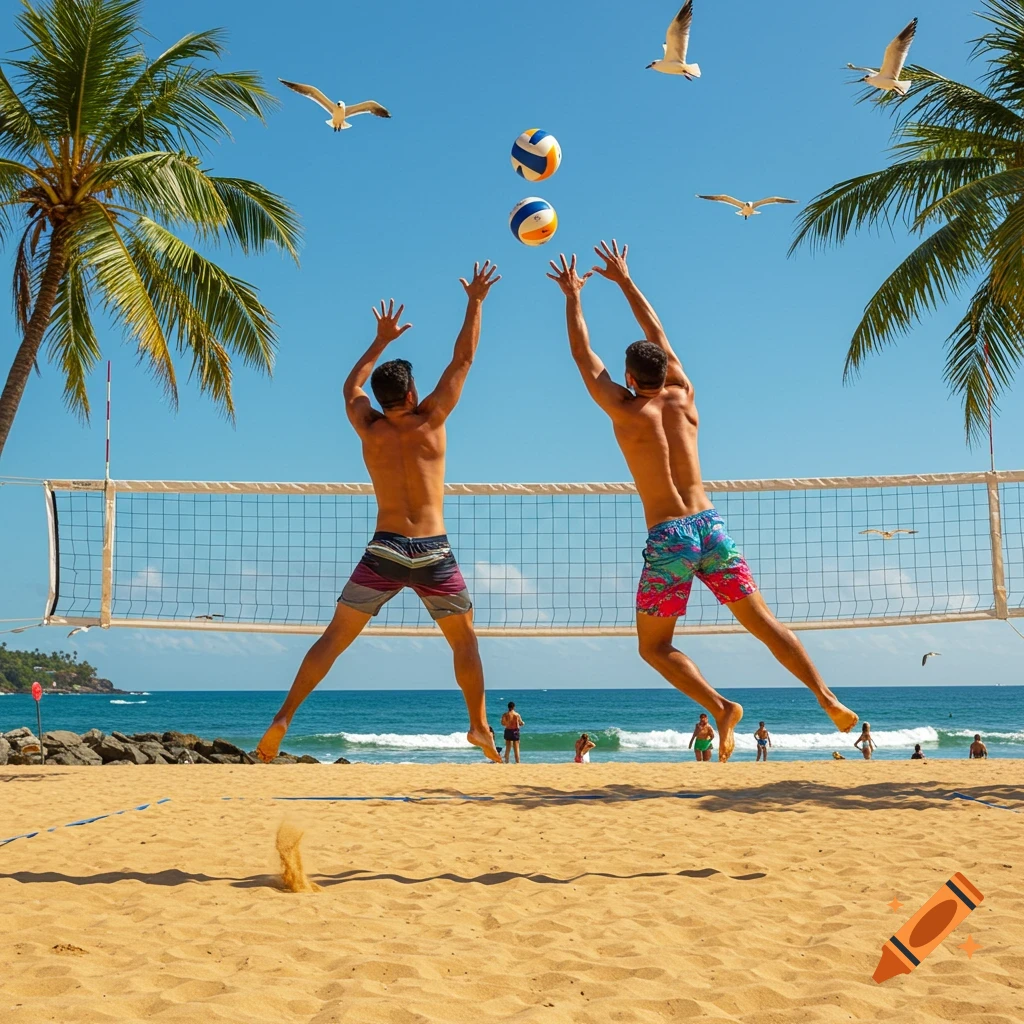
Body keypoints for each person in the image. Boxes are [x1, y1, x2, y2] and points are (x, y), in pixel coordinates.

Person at [546, 242, 858, 761]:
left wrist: (573, 296)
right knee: (764, 622)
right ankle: (826, 697)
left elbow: (583, 356)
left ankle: (720, 705)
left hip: (670, 538)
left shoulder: (624, 408)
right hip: (710, 526)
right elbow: (658, 334)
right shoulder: (684, 393)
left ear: (629, 378)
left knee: (653, 647)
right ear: (666, 370)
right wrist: (624, 280)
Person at [256, 264, 503, 763]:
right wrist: (475, 300)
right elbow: (465, 358)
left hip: (385, 549)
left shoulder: (368, 426)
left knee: (334, 639)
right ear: (411, 394)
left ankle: (282, 719)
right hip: (433, 551)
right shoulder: (432, 419)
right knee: (466, 643)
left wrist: (379, 340)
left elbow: (351, 386)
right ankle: (478, 725)